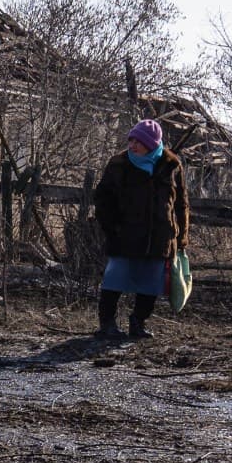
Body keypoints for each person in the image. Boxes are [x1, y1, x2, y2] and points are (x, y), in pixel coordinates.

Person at [91, 118, 189, 339]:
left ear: (152, 144)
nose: (133, 145)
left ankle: (138, 322)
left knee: (150, 284)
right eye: (131, 140)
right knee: (114, 279)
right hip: (125, 235)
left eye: (139, 141)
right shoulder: (118, 164)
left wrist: (181, 236)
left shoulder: (171, 165)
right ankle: (107, 324)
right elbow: (102, 199)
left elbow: (181, 203)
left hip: (159, 237)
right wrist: (111, 227)